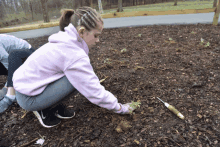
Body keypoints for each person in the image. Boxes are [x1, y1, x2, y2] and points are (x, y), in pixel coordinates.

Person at [12, 6, 138, 128]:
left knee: (76, 77)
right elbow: (93, 90)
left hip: (26, 88)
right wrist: (120, 108)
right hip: (28, 97)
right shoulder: (73, 54)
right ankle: (43, 109)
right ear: (82, 32)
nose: (98, 40)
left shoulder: (66, 40)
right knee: (77, 80)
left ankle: (52, 104)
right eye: (96, 35)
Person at [0, 34, 33, 113]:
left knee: (13, 56)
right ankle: (6, 90)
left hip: (27, 54)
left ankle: (11, 96)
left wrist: (10, 85)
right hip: (13, 58)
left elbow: (9, 65)